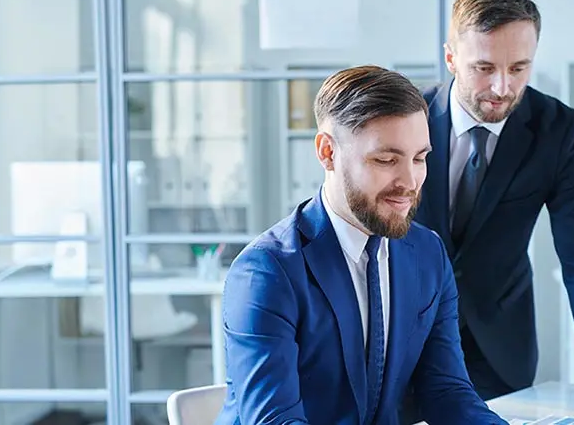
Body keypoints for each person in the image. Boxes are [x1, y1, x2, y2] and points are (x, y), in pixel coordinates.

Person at [215, 65, 508, 425]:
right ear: (327, 152)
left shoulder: (427, 254)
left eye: (419, 159)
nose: (410, 181)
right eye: (385, 160)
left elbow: (446, 391)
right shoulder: (265, 273)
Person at [413, 0, 574, 421]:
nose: (502, 87)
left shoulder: (558, 130)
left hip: (499, 348)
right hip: (405, 336)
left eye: (519, 68)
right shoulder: (406, 119)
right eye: (484, 67)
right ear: (451, 57)